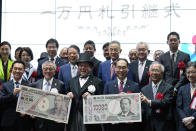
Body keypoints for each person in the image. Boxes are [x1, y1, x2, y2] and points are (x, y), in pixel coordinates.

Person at [66, 53, 103, 131]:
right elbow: (66, 98)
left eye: (85, 65)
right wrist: (67, 95)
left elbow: (102, 100)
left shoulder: (97, 82)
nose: (83, 68)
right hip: (73, 116)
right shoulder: (71, 81)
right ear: (78, 67)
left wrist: (92, 98)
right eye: (81, 65)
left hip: (90, 117)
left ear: (90, 68)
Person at [104, 58, 140, 131]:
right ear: (115, 69)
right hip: (112, 126)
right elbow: (105, 105)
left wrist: (134, 117)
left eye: (124, 67)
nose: (121, 70)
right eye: (119, 67)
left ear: (128, 69)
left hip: (129, 126)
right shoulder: (108, 85)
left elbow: (139, 107)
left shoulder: (135, 86)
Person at [30, 61, 65, 131]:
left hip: (54, 122)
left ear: (54, 71)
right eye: (45, 69)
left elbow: (63, 102)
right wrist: (31, 112)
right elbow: (32, 102)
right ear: (42, 71)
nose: (48, 71)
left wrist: (61, 116)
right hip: (39, 121)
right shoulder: (35, 84)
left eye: (50, 69)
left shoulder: (61, 84)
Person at [141, 62, 173, 131]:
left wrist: (149, 102)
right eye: (152, 70)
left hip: (163, 124)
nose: (154, 73)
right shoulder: (144, 89)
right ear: (149, 72)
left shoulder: (169, 88)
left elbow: (166, 102)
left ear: (162, 73)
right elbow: (143, 108)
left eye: (157, 70)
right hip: (148, 124)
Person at [0, 61, 32, 131]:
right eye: (15, 68)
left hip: (24, 122)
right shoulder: (5, 85)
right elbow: (1, 100)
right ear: (12, 70)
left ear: (23, 71)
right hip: (8, 122)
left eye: (20, 69)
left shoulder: (29, 86)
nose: (17, 71)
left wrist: (26, 112)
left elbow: (32, 104)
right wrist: (13, 94)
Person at [176, 61, 196, 131]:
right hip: (184, 125)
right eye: (188, 72)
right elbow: (179, 107)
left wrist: (193, 118)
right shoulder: (182, 89)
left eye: (193, 72)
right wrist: (185, 120)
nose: (190, 75)